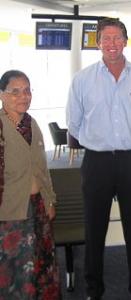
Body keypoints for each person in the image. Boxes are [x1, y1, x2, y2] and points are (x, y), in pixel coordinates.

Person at [66, 18, 131, 300]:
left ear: (126, 41)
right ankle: (94, 290)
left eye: (117, 38)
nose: (112, 43)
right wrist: (99, 142)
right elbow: (74, 123)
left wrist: (126, 138)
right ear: (98, 43)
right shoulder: (82, 80)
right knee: (94, 229)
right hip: (97, 162)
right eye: (106, 38)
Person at [0, 70, 60, 299]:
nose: (23, 96)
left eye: (27, 91)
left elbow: (42, 168)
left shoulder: (31, 124)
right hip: (10, 213)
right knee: (16, 272)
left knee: (41, 266)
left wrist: (50, 200)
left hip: (38, 208)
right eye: (15, 92)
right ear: (2, 95)